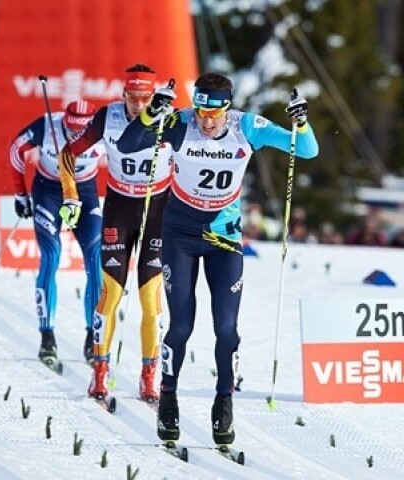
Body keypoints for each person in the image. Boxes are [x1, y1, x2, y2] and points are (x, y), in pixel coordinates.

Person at [117, 72, 319, 446]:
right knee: (181, 326)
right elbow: (129, 146)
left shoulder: (247, 127)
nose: (207, 122)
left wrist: (301, 122)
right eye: (201, 113)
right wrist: (150, 116)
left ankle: (224, 400)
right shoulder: (180, 123)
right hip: (180, 234)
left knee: (227, 328)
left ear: (228, 108)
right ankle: (169, 396)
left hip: (224, 238)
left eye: (215, 114)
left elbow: (307, 150)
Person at [58, 64, 174, 402]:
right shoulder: (107, 117)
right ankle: (99, 373)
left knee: (151, 301)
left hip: (157, 211)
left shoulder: (172, 117)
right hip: (120, 210)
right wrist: (70, 195)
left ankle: (149, 377)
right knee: (110, 293)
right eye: (133, 98)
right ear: (123, 94)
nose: (139, 105)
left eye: (146, 98)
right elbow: (69, 154)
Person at [9, 99, 104, 366]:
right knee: (51, 255)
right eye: (70, 130)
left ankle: (92, 336)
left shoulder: (103, 127)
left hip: (84, 192)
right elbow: (16, 149)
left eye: (80, 133)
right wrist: (20, 193)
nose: (75, 137)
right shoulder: (48, 123)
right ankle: (47, 337)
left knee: (95, 259)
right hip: (49, 191)